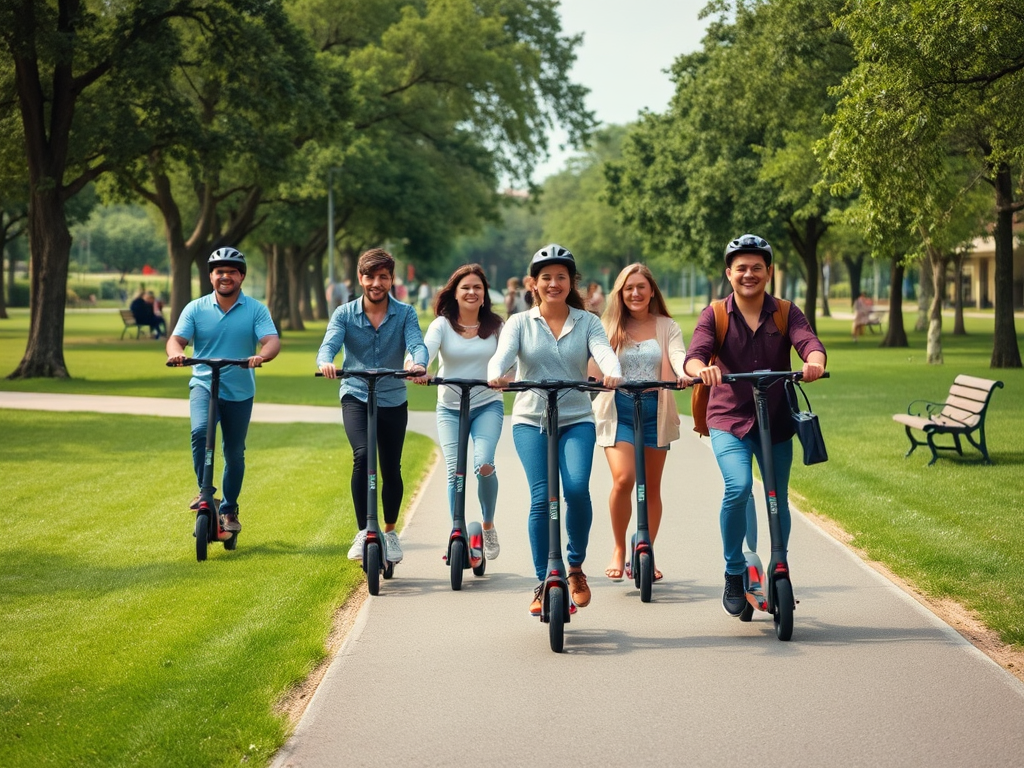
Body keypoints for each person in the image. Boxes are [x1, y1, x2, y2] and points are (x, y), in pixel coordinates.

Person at [683, 234, 826, 617]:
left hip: (776, 421)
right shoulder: (715, 314)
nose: (749, 274)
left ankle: (779, 563)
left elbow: (808, 341)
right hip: (728, 419)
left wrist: (814, 361)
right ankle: (733, 571)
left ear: (770, 272)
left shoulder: (784, 311)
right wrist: (704, 370)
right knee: (739, 486)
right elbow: (694, 356)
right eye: (741, 268)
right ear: (729, 273)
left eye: (757, 268)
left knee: (777, 495)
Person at [488, 243, 623, 614]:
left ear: (571, 281)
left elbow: (604, 352)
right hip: (531, 420)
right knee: (542, 496)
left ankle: (575, 567)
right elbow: (501, 356)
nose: (553, 283)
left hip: (576, 418)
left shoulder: (588, 321)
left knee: (577, 489)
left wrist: (613, 373)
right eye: (545, 277)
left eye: (560, 277)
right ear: (534, 283)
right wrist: (495, 374)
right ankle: (545, 577)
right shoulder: (519, 322)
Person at [317, 248, 428, 564]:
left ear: (391, 279)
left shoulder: (405, 313)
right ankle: (365, 530)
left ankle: (390, 533)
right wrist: (326, 362)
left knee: (391, 467)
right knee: (363, 456)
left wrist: (418, 364)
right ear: (360, 278)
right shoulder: (344, 314)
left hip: (393, 396)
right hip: (355, 394)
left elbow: (416, 343)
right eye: (370, 276)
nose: (376, 283)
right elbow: (329, 345)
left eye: (383, 276)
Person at [165, 247, 280, 532]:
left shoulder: (255, 309)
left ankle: (229, 509)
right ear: (211, 276)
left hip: (240, 390)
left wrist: (261, 356)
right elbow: (175, 340)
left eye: (231, 272)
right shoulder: (195, 308)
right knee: (199, 432)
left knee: (234, 453)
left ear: (241, 276)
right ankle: (205, 492)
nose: (225, 276)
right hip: (204, 384)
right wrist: (177, 353)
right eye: (219, 272)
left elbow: (271, 341)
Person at [589, 264, 688, 583]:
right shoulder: (608, 325)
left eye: (641, 287)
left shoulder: (667, 326)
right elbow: (593, 365)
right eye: (629, 287)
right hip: (618, 409)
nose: (635, 293)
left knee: (651, 486)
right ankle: (619, 548)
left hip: (655, 410)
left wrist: (684, 372)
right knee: (624, 479)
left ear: (651, 291)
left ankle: (645, 549)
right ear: (620, 292)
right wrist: (593, 378)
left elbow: (677, 355)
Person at [410, 265, 506, 560]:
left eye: (477, 287)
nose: (472, 292)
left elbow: (508, 358)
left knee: (484, 464)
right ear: (455, 292)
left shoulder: (496, 326)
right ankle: (458, 529)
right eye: (465, 287)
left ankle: (487, 524)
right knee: (455, 471)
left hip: (487, 403)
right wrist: (417, 367)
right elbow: (423, 350)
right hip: (450, 408)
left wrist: (505, 376)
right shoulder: (442, 324)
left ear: (484, 294)